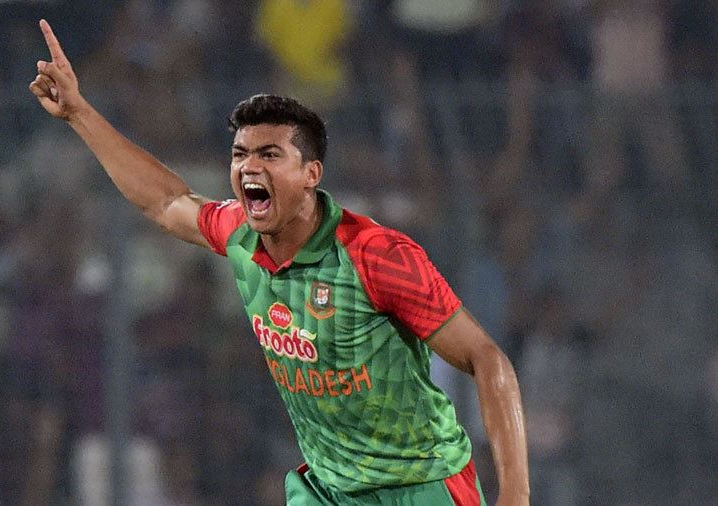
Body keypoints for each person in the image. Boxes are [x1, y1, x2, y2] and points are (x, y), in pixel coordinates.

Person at [29, 19, 529, 506]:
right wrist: (79, 114)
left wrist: (516, 496)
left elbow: (487, 358)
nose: (249, 166)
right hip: (328, 489)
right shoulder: (239, 235)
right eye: (240, 154)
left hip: (419, 485)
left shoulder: (376, 255)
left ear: (311, 173)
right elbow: (165, 202)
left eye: (269, 154)